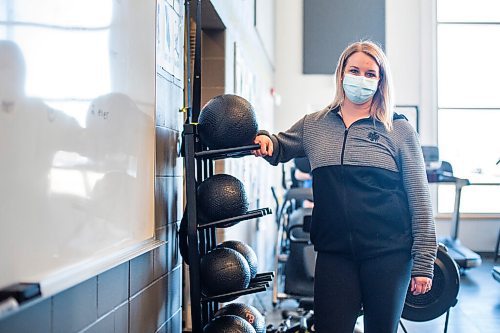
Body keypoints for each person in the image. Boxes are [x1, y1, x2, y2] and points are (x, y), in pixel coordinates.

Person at [253, 41, 437, 333]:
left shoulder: (398, 129)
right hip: (334, 255)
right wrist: (265, 140)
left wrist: (424, 263)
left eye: (370, 73)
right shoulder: (315, 125)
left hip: (389, 255)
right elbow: (279, 144)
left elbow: (420, 199)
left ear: (380, 81)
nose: (361, 79)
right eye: (354, 70)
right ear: (341, 75)